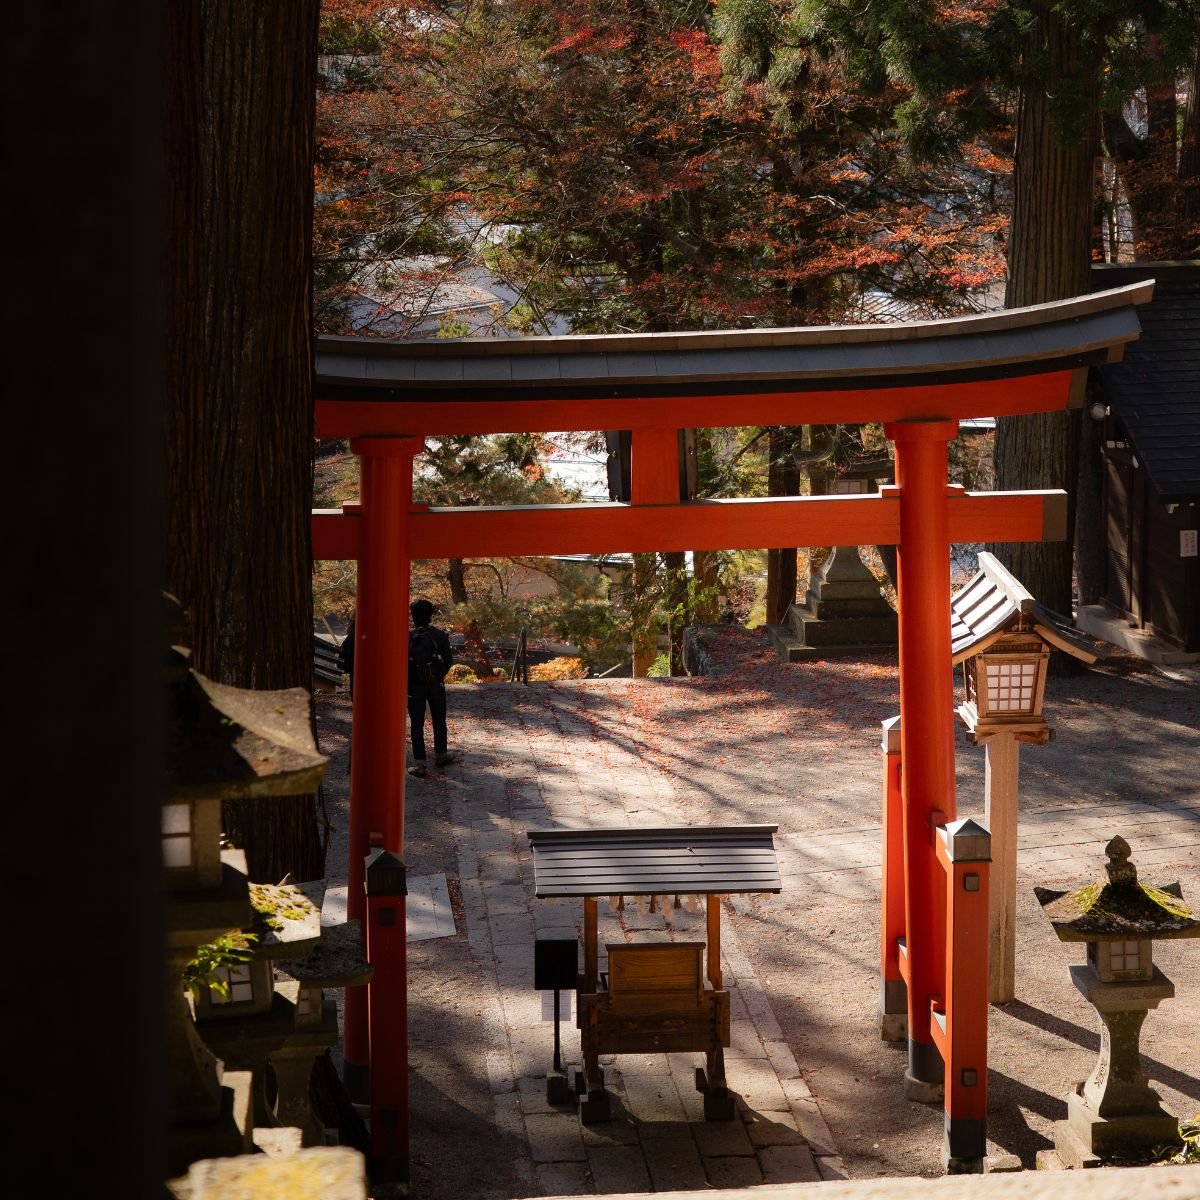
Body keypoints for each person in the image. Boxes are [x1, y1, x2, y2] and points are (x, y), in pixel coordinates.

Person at [407, 598, 458, 778]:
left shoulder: (408, 637)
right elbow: (449, 660)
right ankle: (441, 755)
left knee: (416, 723)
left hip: (414, 686)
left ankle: (420, 763)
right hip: (436, 684)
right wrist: (438, 676)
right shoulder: (439, 635)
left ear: (413, 616)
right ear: (430, 615)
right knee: (438, 719)